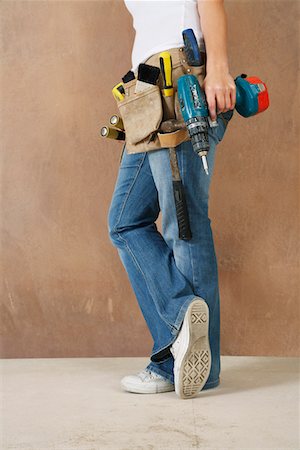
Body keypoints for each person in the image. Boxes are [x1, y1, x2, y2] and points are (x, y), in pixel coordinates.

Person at [107, 0, 236, 399]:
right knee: (126, 221)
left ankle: (186, 366)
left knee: (184, 224)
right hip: (145, 90)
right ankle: (180, 326)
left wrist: (217, 68)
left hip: (181, 76)